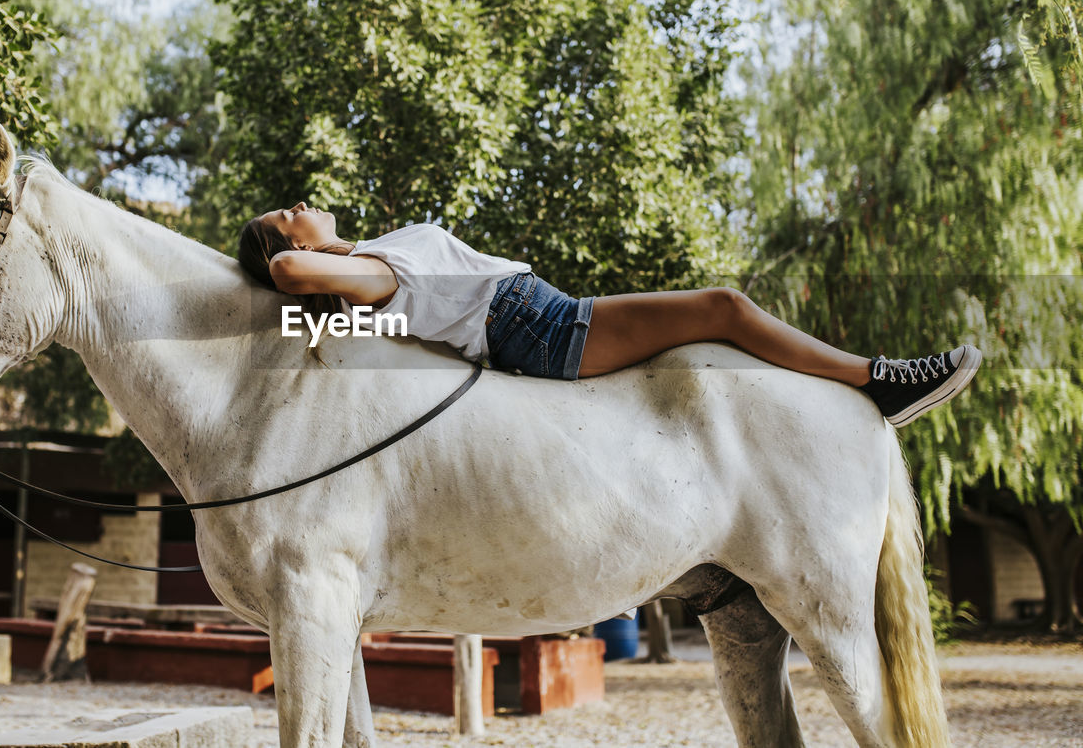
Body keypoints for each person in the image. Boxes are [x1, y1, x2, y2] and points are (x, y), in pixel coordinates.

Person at [238, 202, 981, 427]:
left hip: (535, 315)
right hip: (536, 324)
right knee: (725, 306)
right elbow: (290, 272)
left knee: (724, 311)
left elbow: (308, 278)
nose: (302, 204)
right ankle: (879, 379)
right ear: (292, 244)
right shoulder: (361, 272)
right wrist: (280, 261)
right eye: (287, 214)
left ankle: (870, 379)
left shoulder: (367, 259)